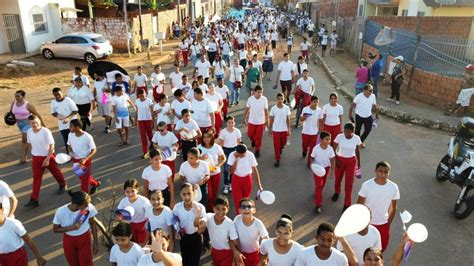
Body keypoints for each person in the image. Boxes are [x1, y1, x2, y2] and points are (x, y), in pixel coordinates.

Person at [25, 115, 67, 208]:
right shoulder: (29, 132)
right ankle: (34, 199)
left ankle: (63, 184)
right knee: (36, 178)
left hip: (48, 157)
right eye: (32, 123)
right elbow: (31, 144)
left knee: (55, 172)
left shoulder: (46, 131)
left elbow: (52, 146)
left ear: (39, 121)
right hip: (36, 158)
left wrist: (47, 158)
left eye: (36, 122)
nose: (35, 124)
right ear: (29, 124)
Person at [357, 161, 400, 252]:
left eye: (386, 172)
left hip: (383, 224)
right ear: (375, 171)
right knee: (365, 249)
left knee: (380, 249)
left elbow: (394, 207)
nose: (383, 174)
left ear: (389, 173)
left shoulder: (393, 187)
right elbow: (359, 205)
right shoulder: (367, 185)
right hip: (367, 223)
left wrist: (389, 222)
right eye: (380, 171)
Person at [52, 191, 99, 266]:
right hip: (69, 240)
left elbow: (93, 224)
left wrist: (96, 243)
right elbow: (55, 229)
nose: (88, 207)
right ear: (76, 205)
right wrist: (71, 228)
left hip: (85, 237)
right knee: (73, 263)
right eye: (85, 206)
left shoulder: (89, 207)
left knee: (86, 262)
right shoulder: (61, 212)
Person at [172, 183, 206, 266]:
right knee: (185, 259)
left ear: (194, 193)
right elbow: (174, 221)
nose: (187, 197)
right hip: (184, 237)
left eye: (189, 193)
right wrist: (177, 232)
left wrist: (198, 217)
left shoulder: (200, 208)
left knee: (195, 260)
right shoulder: (177, 208)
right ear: (180, 194)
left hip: (196, 236)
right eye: (184, 194)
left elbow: (201, 229)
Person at [202, 196, 240, 265]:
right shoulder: (209, 217)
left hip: (227, 253)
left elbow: (235, 240)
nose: (221, 212)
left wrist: (237, 252)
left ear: (228, 209)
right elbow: (203, 219)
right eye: (217, 209)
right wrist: (201, 222)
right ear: (213, 208)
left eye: (223, 209)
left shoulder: (230, 223)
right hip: (214, 251)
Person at [332, 122, 361, 210]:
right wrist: (336, 160)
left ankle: (347, 203)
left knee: (349, 183)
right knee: (338, 179)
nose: (346, 134)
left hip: (351, 162)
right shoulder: (339, 137)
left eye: (348, 132)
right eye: (345, 131)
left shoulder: (357, 138)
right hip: (340, 160)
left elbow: (357, 150)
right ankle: (337, 192)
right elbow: (333, 149)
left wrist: (359, 162)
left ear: (353, 131)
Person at [10, 90, 45, 163]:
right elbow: (11, 113)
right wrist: (10, 120)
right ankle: (41, 152)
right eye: (15, 96)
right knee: (31, 139)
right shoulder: (14, 103)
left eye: (18, 96)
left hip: (28, 123)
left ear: (23, 96)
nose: (16, 97)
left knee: (24, 139)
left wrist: (43, 125)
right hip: (19, 123)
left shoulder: (28, 105)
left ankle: (24, 157)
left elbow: (37, 115)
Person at [227, 143, 264, 213]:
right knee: (237, 202)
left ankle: (245, 216)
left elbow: (255, 170)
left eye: (244, 154)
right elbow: (231, 171)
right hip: (236, 179)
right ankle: (238, 217)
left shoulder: (250, 155)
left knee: (246, 201)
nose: (243, 156)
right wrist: (236, 160)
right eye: (241, 155)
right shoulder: (232, 155)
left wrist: (260, 186)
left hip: (247, 179)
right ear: (237, 152)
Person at [68, 119, 101, 195]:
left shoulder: (87, 137)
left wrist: (85, 159)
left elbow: (94, 149)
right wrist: (70, 153)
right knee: (81, 177)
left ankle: (83, 199)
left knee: (84, 181)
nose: (69, 128)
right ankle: (95, 183)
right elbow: (69, 145)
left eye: (71, 126)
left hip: (85, 160)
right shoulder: (70, 134)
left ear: (78, 127)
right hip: (75, 159)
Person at [233, 198, 269, 265]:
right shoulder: (236, 220)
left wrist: (265, 257)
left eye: (249, 207)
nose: (246, 209)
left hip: (254, 255)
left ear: (254, 210)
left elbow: (267, 240)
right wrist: (235, 251)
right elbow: (231, 237)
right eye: (243, 207)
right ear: (239, 210)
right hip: (241, 254)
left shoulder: (258, 223)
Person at [117, 179, 152, 246]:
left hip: (143, 226)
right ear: (124, 191)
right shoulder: (123, 201)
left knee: (142, 245)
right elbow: (119, 213)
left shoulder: (143, 201)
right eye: (127, 192)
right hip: (130, 226)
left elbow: (150, 213)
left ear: (137, 190)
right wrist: (119, 218)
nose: (130, 194)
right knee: (134, 244)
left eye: (133, 191)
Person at [198, 131, 226, 210]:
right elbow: (193, 159)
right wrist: (200, 158)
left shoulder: (217, 147)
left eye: (208, 137)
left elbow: (223, 158)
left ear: (211, 137)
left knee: (214, 193)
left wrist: (218, 166)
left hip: (216, 173)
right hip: (205, 175)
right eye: (204, 137)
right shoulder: (199, 147)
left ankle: (213, 208)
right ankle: (208, 209)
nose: (206, 139)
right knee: (208, 194)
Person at [311, 131, 335, 214]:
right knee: (319, 185)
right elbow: (312, 157)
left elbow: (332, 160)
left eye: (329, 139)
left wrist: (332, 171)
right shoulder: (316, 148)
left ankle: (317, 193)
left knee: (322, 185)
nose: (328, 141)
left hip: (326, 169)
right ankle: (318, 205)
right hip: (317, 170)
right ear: (321, 140)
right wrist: (312, 165)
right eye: (326, 139)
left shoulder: (330, 149)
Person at [242, 85, 269, 158]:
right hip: (252, 120)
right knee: (250, 134)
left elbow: (266, 110)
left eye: (261, 92)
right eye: (258, 92)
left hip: (261, 121)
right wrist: (244, 119)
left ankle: (257, 150)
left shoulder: (264, 99)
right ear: (254, 92)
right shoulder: (250, 99)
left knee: (259, 137)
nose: (260, 94)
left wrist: (267, 120)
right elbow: (247, 109)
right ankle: (253, 140)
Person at [218, 116, 242, 195]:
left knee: (233, 169)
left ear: (234, 123)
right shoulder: (223, 132)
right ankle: (226, 185)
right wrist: (220, 155)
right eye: (229, 122)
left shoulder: (237, 131)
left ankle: (231, 183)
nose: (231, 124)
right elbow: (221, 144)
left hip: (234, 151)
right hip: (225, 151)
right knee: (225, 169)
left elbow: (239, 143)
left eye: (232, 122)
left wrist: (238, 153)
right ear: (226, 123)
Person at [349, 84, 378, 148]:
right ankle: (357, 142)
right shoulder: (359, 97)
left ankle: (361, 140)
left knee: (368, 129)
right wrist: (350, 115)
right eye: (370, 90)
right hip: (359, 116)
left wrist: (377, 114)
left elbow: (374, 106)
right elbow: (352, 105)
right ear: (365, 90)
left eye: (372, 90)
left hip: (368, 116)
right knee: (357, 130)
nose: (371, 92)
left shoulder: (373, 96)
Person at [51, 87, 78, 154]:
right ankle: (69, 154)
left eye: (59, 94)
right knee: (66, 140)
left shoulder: (68, 100)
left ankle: (78, 152)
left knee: (74, 139)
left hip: (72, 124)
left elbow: (75, 110)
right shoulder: (53, 102)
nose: (57, 96)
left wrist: (68, 118)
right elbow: (53, 112)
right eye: (55, 95)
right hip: (62, 125)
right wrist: (57, 115)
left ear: (62, 93)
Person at [269, 93, 291, 167]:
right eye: (279, 99)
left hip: (284, 130)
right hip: (276, 130)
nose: (280, 100)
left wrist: (289, 129)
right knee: (276, 146)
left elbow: (288, 119)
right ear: (276, 99)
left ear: (284, 99)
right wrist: (270, 130)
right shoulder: (273, 108)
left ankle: (281, 148)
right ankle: (277, 159)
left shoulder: (286, 108)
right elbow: (271, 120)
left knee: (283, 143)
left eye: (282, 99)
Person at [301, 95, 324, 162]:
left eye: (317, 102)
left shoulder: (319, 110)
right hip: (305, 132)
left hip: (314, 133)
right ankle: (304, 151)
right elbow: (301, 119)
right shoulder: (305, 109)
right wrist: (304, 117)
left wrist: (320, 130)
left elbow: (321, 121)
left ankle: (309, 162)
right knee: (304, 146)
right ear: (310, 102)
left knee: (312, 148)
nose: (316, 103)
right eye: (314, 102)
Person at [135, 90, 154, 158]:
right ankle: (145, 152)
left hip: (148, 119)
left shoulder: (149, 101)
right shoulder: (137, 101)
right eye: (140, 96)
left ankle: (154, 149)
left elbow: (152, 111)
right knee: (143, 137)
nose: (141, 97)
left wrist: (153, 122)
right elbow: (137, 110)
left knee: (150, 136)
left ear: (145, 94)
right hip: (140, 120)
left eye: (143, 96)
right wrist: (135, 120)